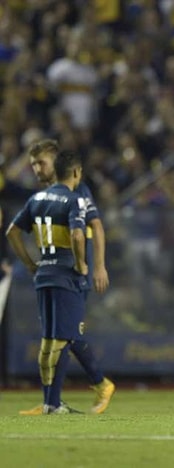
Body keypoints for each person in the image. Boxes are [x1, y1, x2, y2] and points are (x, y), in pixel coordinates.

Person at [18, 139, 115, 415]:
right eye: (33, 164)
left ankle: (91, 386)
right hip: (56, 270)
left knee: (64, 334)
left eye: (42, 162)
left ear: (56, 161)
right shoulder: (46, 194)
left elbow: (95, 226)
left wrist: (98, 266)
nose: (37, 169)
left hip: (73, 271)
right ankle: (53, 401)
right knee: (61, 335)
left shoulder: (78, 188)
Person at [6, 150, 90, 414]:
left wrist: (30, 263)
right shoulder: (74, 199)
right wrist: (81, 264)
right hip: (65, 274)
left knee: (49, 339)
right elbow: (77, 236)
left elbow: (12, 232)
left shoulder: (36, 198)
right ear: (75, 172)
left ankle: (49, 402)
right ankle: (55, 402)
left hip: (43, 273)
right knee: (66, 337)